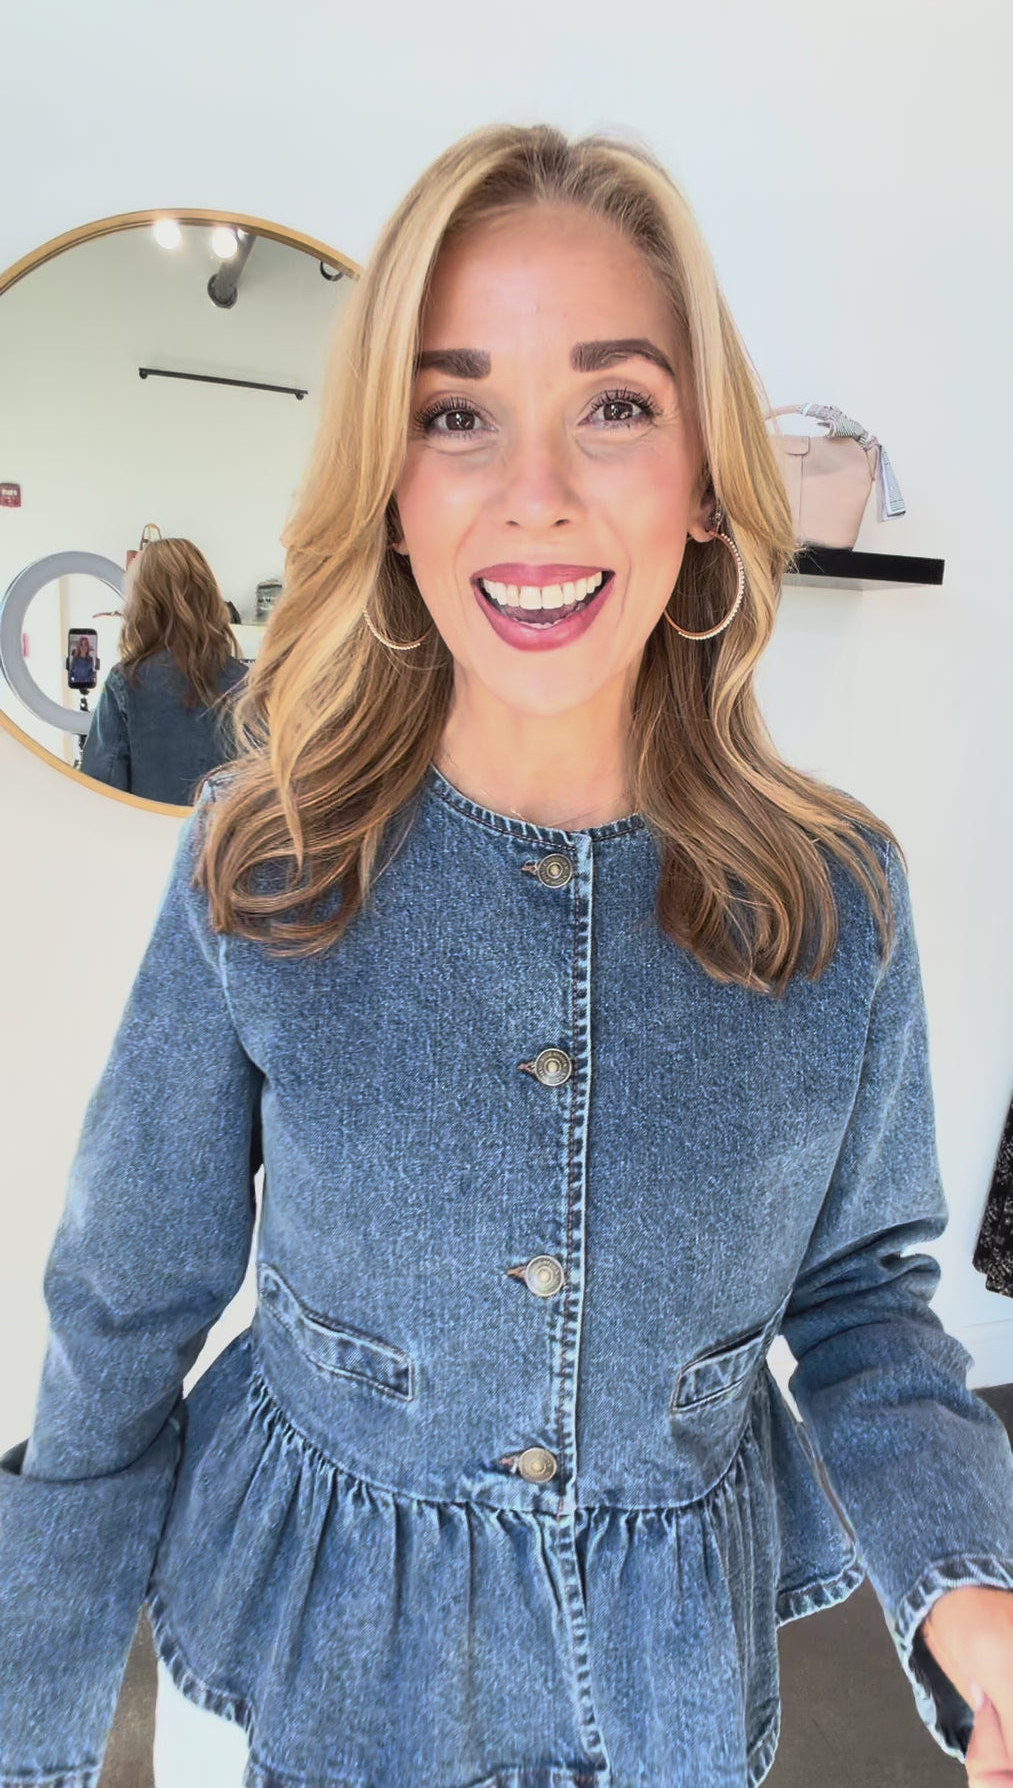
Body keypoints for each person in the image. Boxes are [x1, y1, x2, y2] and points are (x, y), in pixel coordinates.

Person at [2, 123, 1012, 1788]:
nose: (534, 491)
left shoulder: (836, 899)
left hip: (670, 1683)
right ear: (391, 490)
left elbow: (862, 1303)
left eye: (613, 405)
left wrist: (968, 1591)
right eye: (454, 413)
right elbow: (123, 1305)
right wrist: (32, 1731)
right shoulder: (262, 864)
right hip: (299, 1661)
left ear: (704, 478)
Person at [79, 537, 248, 806]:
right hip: (223, 833)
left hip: (143, 832)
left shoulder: (126, 682)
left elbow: (102, 791)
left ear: (141, 604)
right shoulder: (246, 682)